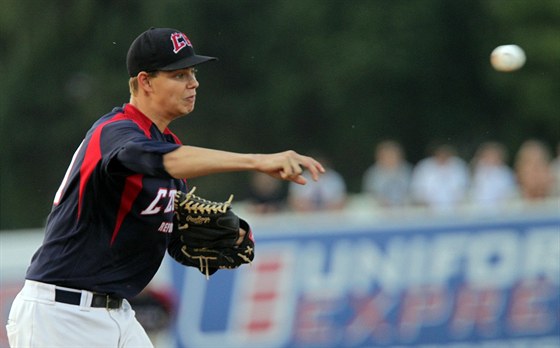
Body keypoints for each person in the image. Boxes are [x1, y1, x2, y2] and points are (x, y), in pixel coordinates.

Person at [6, 27, 324, 348]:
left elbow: (176, 239)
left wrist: (224, 237)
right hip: (61, 316)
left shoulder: (168, 146)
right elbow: (152, 160)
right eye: (179, 74)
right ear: (145, 81)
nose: (193, 83)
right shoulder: (114, 132)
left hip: (118, 315)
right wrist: (256, 161)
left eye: (193, 73)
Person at [410, 143, 470, 213]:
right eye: (441, 153)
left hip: (455, 211)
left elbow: (465, 189)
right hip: (427, 211)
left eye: (445, 153)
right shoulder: (424, 166)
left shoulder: (459, 166)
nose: (443, 155)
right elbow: (416, 189)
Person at [361, 140, 412, 208]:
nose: (389, 158)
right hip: (380, 212)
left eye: (392, 155)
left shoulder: (408, 171)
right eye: (386, 155)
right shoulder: (372, 174)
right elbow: (368, 196)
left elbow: (415, 193)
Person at [468, 141, 518, 209]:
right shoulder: (479, 172)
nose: (490, 159)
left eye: (492, 156)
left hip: (500, 210)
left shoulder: (505, 173)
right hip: (479, 210)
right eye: (487, 156)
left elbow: (509, 193)